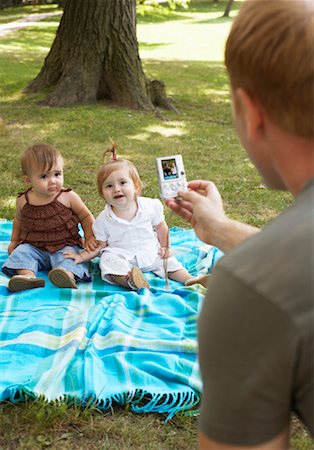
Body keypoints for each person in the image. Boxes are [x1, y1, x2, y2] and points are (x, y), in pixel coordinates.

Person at [166, 0, 314, 448]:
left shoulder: (249, 290)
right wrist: (219, 229)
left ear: (251, 111)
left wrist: (246, 266)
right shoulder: (268, 276)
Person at [63, 145, 208, 290]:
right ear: (103, 194)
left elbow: (161, 227)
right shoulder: (103, 220)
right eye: (109, 186)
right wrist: (81, 257)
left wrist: (166, 246)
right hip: (121, 255)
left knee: (169, 262)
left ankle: (191, 279)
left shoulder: (150, 207)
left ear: (136, 187)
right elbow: (100, 246)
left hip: (150, 251)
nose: (116, 189)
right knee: (107, 262)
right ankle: (130, 281)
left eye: (122, 183)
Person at [2, 144, 98, 292]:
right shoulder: (23, 200)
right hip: (34, 247)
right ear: (28, 180)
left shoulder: (67, 196)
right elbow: (19, 221)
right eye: (44, 176)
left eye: (57, 174)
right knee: (22, 253)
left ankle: (66, 275)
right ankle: (27, 276)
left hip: (64, 245)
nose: (53, 181)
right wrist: (14, 241)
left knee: (73, 257)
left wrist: (90, 236)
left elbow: (85, 216)